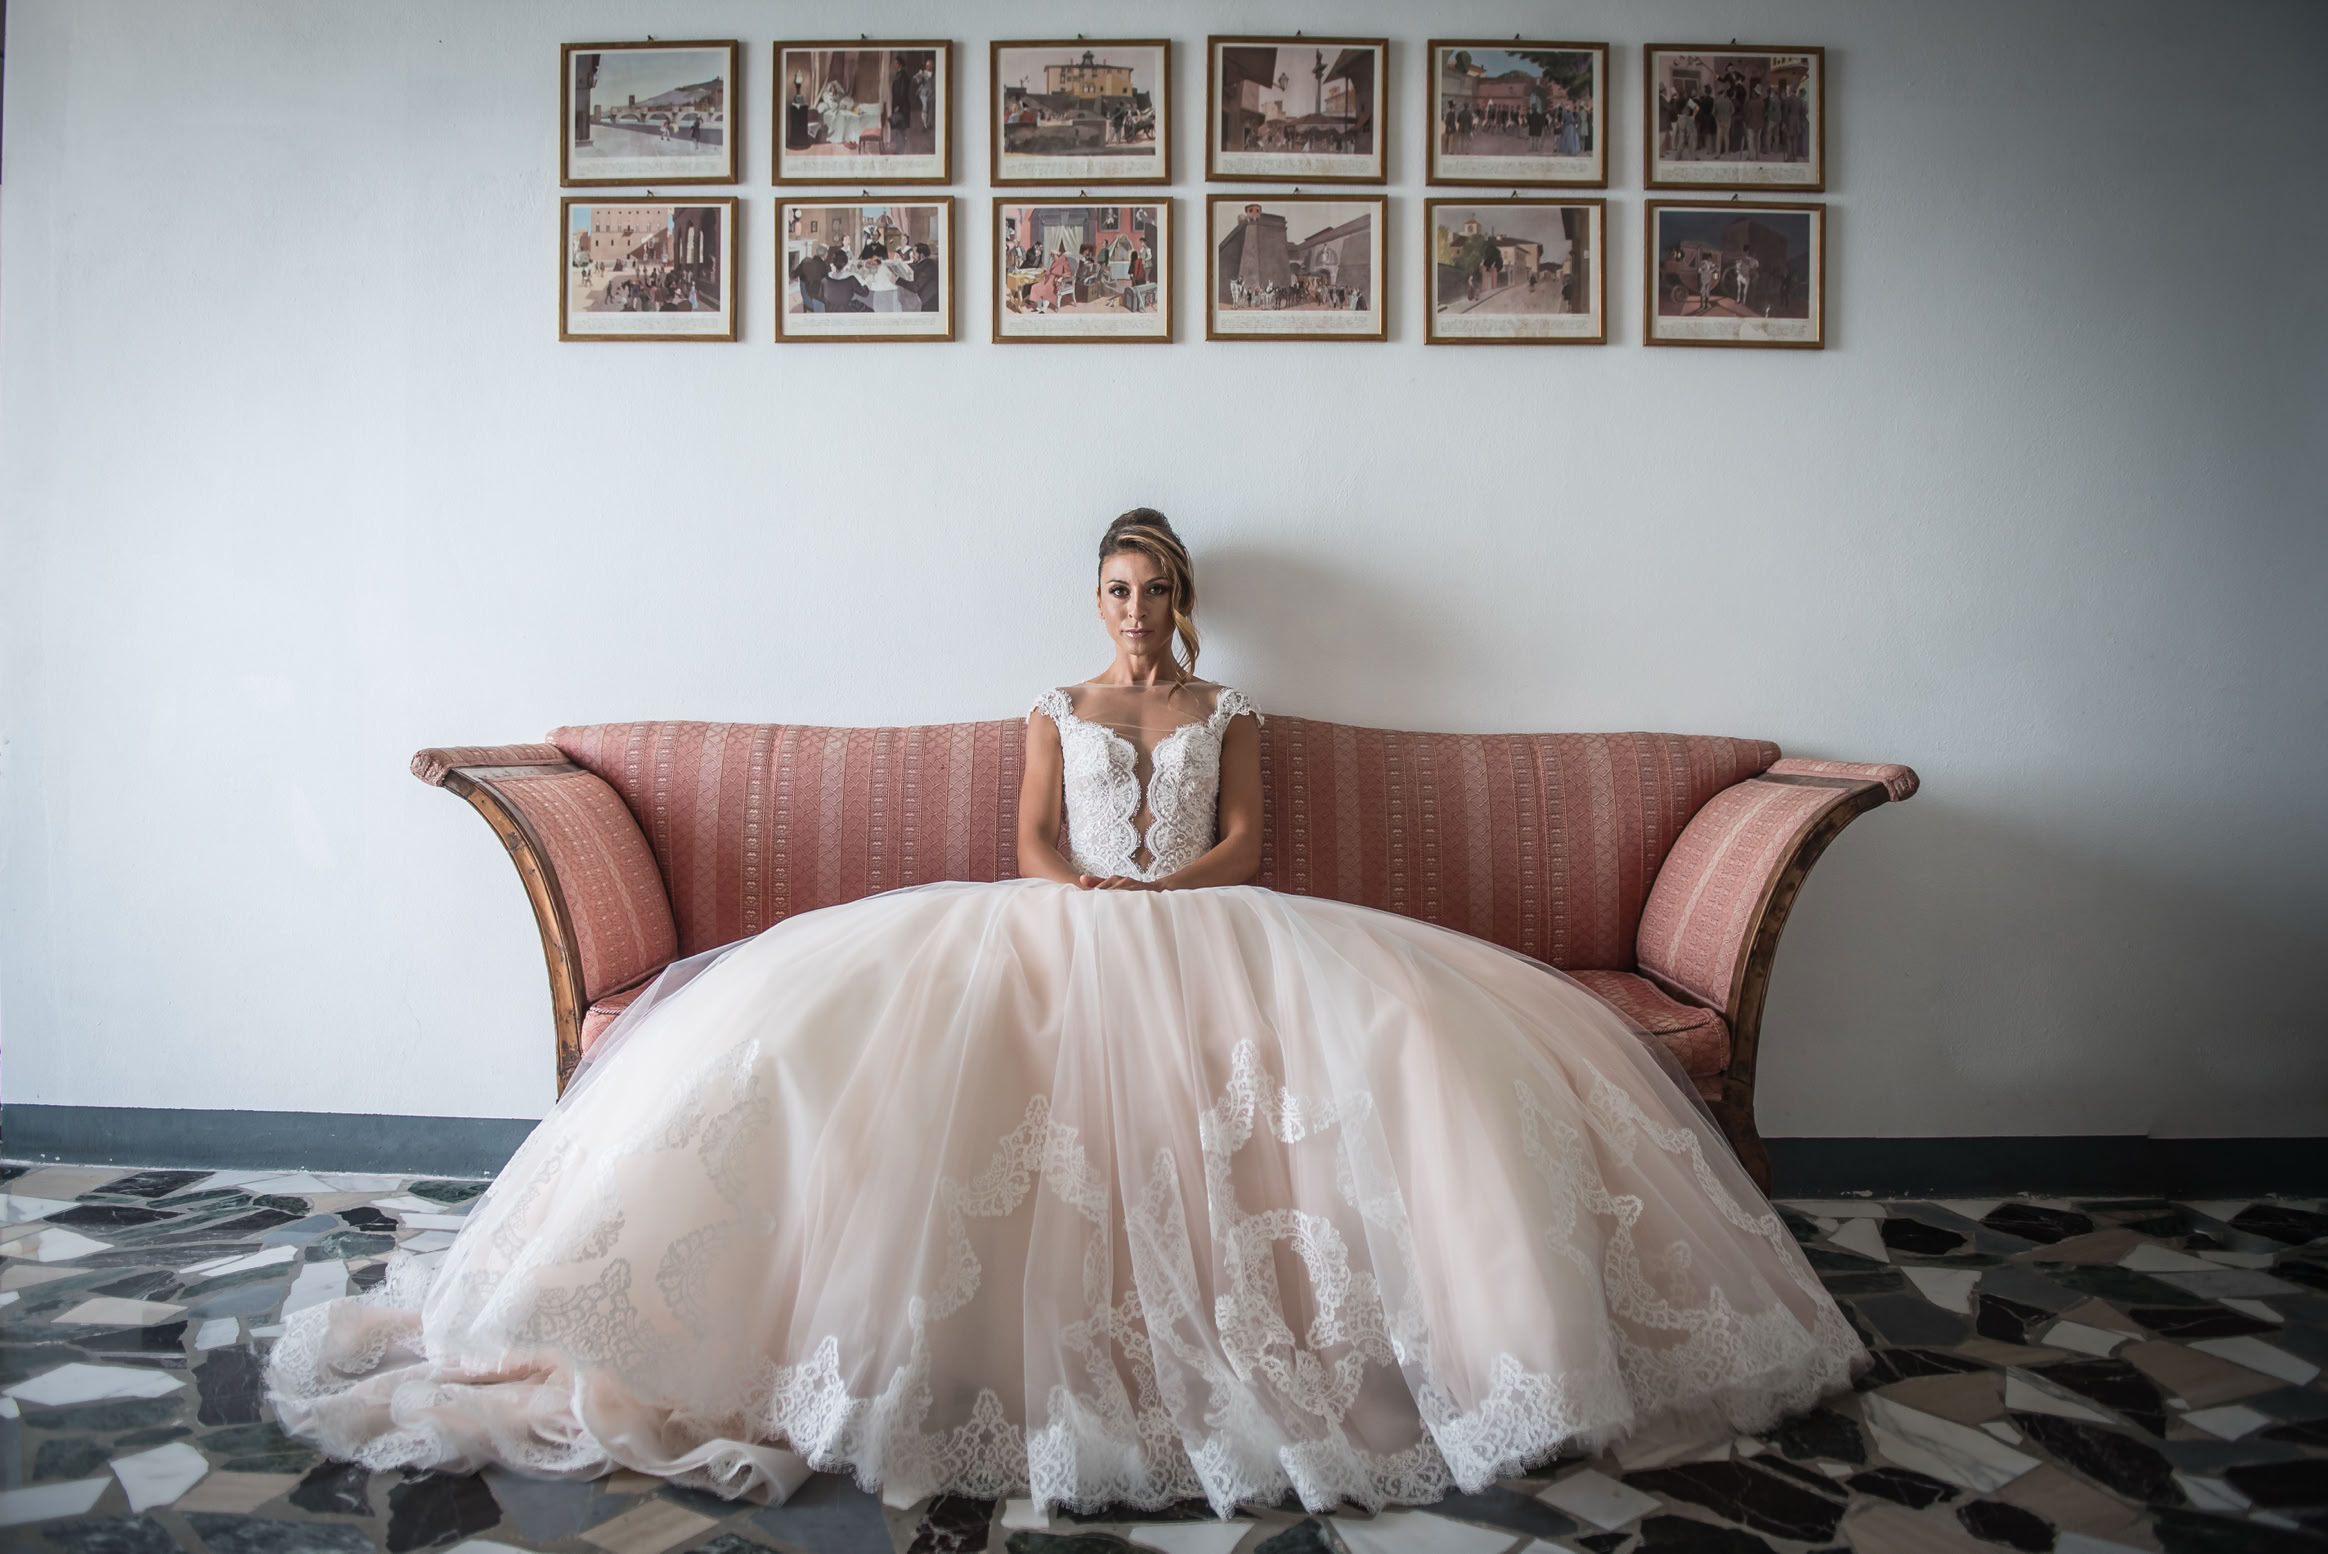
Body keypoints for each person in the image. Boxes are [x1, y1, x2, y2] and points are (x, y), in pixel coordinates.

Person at [266, 513, 1864, 1518]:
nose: (1131, 609)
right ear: (1092, 597)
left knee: (1394, 1043)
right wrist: (1085, 891)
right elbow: (1031, 834)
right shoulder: (1059, 706)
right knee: (862, 1048)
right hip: (1062, 918)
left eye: (1152, 588)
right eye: (1113, 586)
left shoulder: (1227, 710)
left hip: (1213, 918)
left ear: (1181, 600)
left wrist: (1179, 887)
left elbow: (1246, 837)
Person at [794, 246, 831, 312]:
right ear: (825, 254)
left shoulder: (805, 262)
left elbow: (793, 275)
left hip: (806, 295)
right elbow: (827, 283)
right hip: (816, 299)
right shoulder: (823, 266)